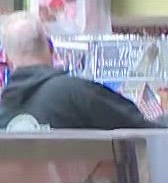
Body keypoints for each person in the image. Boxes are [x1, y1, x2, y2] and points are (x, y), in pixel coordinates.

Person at [0, 13, 154, 130]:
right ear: (51, 47)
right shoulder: (78, 94)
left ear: (6, 57)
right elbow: (142, 130)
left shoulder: (3, 113)